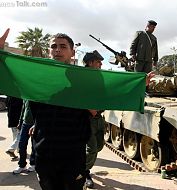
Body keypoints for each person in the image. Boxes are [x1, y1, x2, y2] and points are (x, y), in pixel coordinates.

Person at [0, 29, 91, 190]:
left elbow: (98, 106)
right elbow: (10, 76)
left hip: (72, 154)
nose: (57, 49)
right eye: (53, 46)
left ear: (72, 52)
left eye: (63, 46)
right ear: (49, 51)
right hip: (45, 153)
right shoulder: (37, 78)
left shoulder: (83, 80)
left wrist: (139, 85)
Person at [82, 50, 106, 188]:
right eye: (98, 61)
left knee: (99, 146)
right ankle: (84, 172)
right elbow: (76, 93)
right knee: (91, 149)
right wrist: (87, 107)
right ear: (90, 62)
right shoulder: (81, 76)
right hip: (85, 119)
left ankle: (83, 167)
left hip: (98, 117)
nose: (101, 64)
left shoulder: (99, 76)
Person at [12, 100, 36, 174]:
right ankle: (22, 165)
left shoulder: (38, 96)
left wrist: (36, 124)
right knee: (21, 145)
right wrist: (20, 122)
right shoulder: (25, 96)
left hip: (34, 125)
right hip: (25, 124)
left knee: (34, 146)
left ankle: (33, 164)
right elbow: (23, 109)